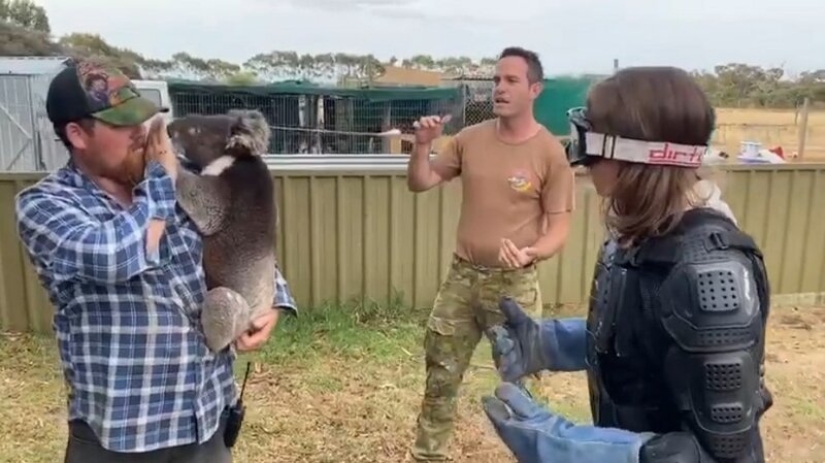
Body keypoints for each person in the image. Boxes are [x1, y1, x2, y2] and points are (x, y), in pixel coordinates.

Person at [481, 66, 773, 463]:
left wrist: (570, 448)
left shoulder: (710, 271)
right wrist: (551, 345)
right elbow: (646, 343)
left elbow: (720, 453)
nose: (581, 160)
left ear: (632, 153)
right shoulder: (639, 238)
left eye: (588, 141)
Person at [14, 59, 297, 463]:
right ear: (77, 134)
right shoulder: (46, 205)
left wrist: (270, 300)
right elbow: (115, 257)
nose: (141, 133)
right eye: (121, 123)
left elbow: (239, 235)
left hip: (207, 418)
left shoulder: (175, 180)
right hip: (125, 437)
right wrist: (162, 182)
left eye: (143, 120)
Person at [406, 47, 576, 461]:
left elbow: (559, 227)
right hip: (462, 279)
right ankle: (428, 455)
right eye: (496, 80)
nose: (499, 87)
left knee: (519, 386)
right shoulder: (469, 139)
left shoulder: (550, 154)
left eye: (511, 80)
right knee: (440, 378)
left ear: (535, 89)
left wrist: (532, 253)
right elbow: (421, 181)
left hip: (513, 287)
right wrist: (421, 145)